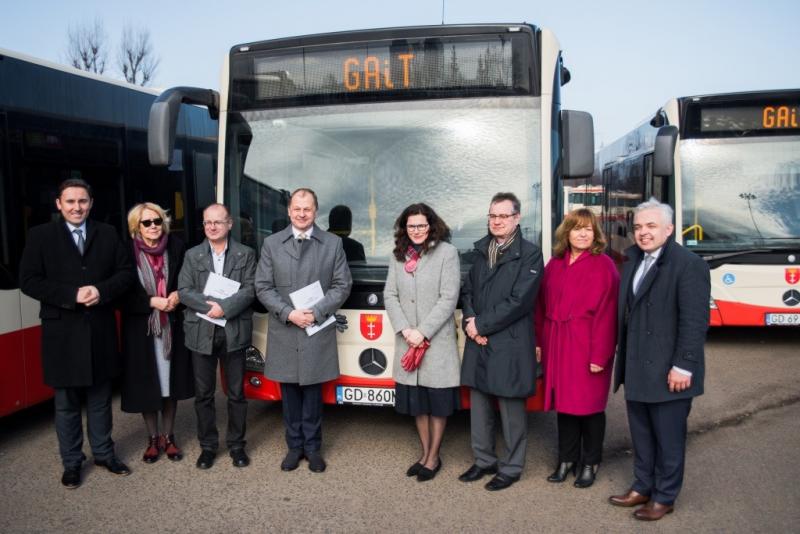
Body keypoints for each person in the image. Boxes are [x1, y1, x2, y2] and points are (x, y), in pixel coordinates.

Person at [19, 178, 135, 489]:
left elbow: (125, 274)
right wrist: (71, 295)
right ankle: (71, 463)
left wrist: (100, 291)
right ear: (58, 204)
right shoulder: (40, 236)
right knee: (66, 404)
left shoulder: (108, 233)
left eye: (82, 201)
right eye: (70, 202)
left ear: (91, 203)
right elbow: (28, 280)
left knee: (99, 400)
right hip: (62, 333)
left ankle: (104, 454)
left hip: (100, 330)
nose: (76, 207)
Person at [609, 198, 710, 521]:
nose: (643, 233)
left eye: (651, 226)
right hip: (638, 366)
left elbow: (694, 322)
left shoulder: (688, 264)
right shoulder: (632, 260)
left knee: (668, 439)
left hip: (670, 370)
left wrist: (684, 365)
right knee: (642, 434)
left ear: (669, 229)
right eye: (638, 227)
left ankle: (664, 497)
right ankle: (642, 486)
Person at [255, 188, 352, 473]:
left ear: (315, 211)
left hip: (316, 328)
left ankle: (313, 448)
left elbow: (342, 285)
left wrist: (317, 312)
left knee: (312, 393)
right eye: (296, 208)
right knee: (289, 394)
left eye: (307, 209)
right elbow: (262, 286)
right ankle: (293, 447)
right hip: (285, 330)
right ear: (288, 211)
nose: (301, 213)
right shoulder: (272, 244)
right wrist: (289, 313)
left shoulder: (333, 244)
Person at [458, 192, 544, 491]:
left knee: (511, 409)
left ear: (517, 218)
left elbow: (520, 301)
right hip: (478, 339)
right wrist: (470, 323)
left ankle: (512, 466)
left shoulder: (530, 254)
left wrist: (480, 324)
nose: (496, 221)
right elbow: (467, 290)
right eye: (492, 216)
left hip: (509, 342)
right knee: (479, 406)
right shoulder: (482, 251)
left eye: (503, 216)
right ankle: (484, 461)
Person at [535, 208, 619, 488]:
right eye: (577, 228)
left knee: (590, 408)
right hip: (558, 344)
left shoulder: (604, 265)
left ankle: (590, 462)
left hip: (587, 347)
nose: (583, 234)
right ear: (566, 233)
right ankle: (566, 459)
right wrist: (538, 341)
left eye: (588, 229)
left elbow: (608, 315)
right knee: (566, 406)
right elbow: (540, 305)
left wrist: (600, 356)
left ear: (595, 234)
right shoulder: (556, 264)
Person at [383, 203, 461, 482]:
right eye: (411, 226)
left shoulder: (447, 253)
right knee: (418, 404)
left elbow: (448, 298)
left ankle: (434, 457)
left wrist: (422, 331)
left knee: (437, 402)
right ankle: (424, 453)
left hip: (434, 343)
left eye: (421, 225)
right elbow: (390, 295)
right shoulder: (398, 256)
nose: (416, 230)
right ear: (405, 228)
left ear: (432, 225)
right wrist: (405, 329)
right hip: (408, 341)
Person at [178, 203, 256, 470]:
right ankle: (208, 447)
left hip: (234, 331)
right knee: (203, 394)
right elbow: (184, 290)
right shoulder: (192, 255)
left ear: (229, 224)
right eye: (207, 222)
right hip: (202, 331)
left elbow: (250, 290)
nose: (212, 227)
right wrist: (209, 306)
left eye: (218, 222)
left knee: (236, 394)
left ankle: (237, 445)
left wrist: (226, 307)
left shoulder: (246, 254)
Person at [119, 203, 193, 463]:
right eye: (146, 222)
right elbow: (120, 294)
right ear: (136, 227)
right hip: (141, 329)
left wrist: (178, 294)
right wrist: (151, 301)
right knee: (146, 383)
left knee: (168, 383)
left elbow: (189, 280)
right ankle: (152, 438)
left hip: (171, 324)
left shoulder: (177, 246)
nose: (153, 227)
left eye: (157, 221)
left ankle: (169, 436)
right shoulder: (125, 252)